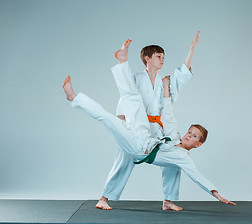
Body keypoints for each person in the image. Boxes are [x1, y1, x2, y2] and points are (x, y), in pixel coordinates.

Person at [62, 61, 236, 208]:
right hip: (143, 135)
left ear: (198, 144)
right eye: (190, 132)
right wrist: (166, 89)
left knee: (109, 120)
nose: (189, 135)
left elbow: (197, 176)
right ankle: (78, 95)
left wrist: (216, 194)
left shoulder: (184, 158)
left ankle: (168, 200)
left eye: (194, 136)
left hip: (139, 148)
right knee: (126, 107)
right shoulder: (174, 136)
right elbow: (168, 114)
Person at [99, 33, 199, 211]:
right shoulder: (137, 78)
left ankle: (168, 200)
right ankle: (104, 198)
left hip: (158, 130)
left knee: (174, 159)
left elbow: (182, 74)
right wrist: (123, 125)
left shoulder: (164, 82)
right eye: (158, 56)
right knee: (124, 158)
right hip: (137, 128)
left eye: (163, 57)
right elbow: (126, 97)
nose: (162, 60)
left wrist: (191, 50)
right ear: (147, 58)